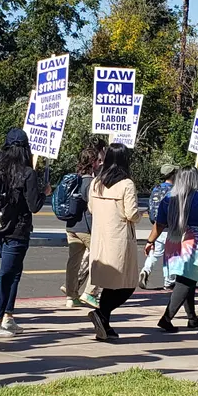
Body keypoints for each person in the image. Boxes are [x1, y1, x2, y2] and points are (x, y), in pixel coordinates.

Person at [144, 166, 198, 331]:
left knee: (187, 279)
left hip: (174, 240)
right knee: (186, 280)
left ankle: (192, 317)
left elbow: (159, 224)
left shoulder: (169, 199)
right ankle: (167, 318)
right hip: (195, 242)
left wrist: (150, 241)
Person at [0, 127, 46, 338]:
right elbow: (33, 206)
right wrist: (44, 193)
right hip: (18, 230)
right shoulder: (27, 173)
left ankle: (8, 316)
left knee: (13, 272)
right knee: (8, 275)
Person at [84, 143, 142, 341]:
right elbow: (131, 213)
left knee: (110, 283)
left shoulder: (96, 183)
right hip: (120, 239)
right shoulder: (127, 184)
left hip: (100, 238)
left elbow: (91, 208)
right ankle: (102, 314)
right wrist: (141, 215)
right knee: (127, 283)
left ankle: (104, 324)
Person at [60, 137, 104, 309]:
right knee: (99, 259)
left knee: (73, 261)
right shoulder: (91, 183)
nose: (100, 163)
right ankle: (90, 292)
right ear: (92, 163)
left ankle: (71, 296)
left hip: (71, 226)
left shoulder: (73, 180)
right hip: (86, 227)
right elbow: (93, 207)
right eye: (98, 161)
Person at [142, 161, 176, 290]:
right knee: (171, 255)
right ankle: (169, 281)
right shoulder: (174, 190)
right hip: (170, 227)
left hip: (157, 226)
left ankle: (146, 269)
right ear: (172, 175)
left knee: (155, 253)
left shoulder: (156, 189)